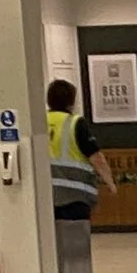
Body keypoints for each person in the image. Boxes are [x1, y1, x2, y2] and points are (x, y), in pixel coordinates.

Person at [44, 76, 109, 220]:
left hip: (45, 196)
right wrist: (110, 183)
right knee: (75, 234)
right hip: (75, 197)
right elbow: (96, 158)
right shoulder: (75, 123)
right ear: (71, 102)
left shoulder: (40, 121)